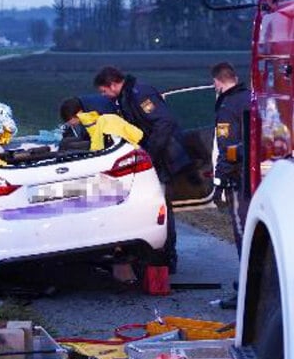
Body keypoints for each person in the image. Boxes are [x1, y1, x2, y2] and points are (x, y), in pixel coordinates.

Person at [94, 66, 193, 272]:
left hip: (163, 157)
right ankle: (159, 257)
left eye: (104, 91)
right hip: (155, 157)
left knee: (161, 207)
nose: (104, 96)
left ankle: (167, 258)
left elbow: (163, 123)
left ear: (113, 84)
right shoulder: (125, 97)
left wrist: (150, 154)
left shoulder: (140, 93)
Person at [210, 62, 251, 308]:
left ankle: (247, 291)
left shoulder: (227, 106)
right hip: (257, 177)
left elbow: (228, 149)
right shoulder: (250, 98)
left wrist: (221, 181)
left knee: (242, 233)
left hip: (239, 179)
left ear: (218, 82)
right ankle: (249, 283)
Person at [58, 97, 143, 151]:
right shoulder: (85, 108)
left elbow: (98, 138)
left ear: (77, 113)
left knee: (70, 146)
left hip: (104, 142)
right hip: (97, 138)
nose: (72, 125)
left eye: (71, 121)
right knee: (65, 142)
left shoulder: (93, 113)